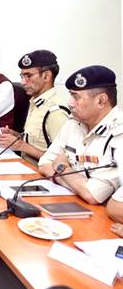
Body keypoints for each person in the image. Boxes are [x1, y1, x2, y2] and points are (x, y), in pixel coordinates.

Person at [38, 65, 123, 206]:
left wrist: (62, 167)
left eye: (75, 97)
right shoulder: (74, 122)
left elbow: (93, 195)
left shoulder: (119, 134)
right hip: (72, 203)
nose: (69, 103)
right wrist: (77, 185)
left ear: (101, 101)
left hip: (102, 215)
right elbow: (44, 164)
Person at [0, 50, 69, 165]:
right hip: (25, 166)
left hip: (40, 173)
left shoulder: (55, 111)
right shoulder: (35, 103)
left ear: (46, 76)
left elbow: (62, 160)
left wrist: (21, 146)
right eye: (22, 76)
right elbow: (37, 141)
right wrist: (15, 135)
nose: (23, 82)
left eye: (29, 76)